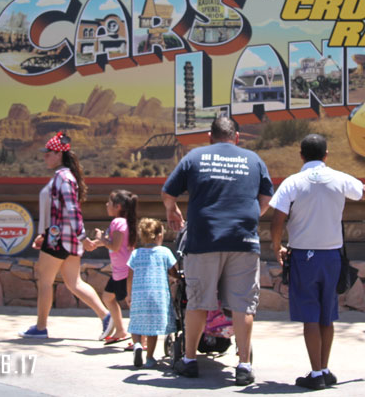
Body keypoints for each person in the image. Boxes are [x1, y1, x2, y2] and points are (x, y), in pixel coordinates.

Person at [270, 133, 365, 390]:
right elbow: (364, 191)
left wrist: (276, 247)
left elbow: (277, 220)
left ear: (301, 155)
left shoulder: (292, 182)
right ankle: (325, 369)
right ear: (326, 155)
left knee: (310, 315)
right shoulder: (339, 178)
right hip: (332, 257)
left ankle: (316, 373)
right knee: (327, 316)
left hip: (304, 256)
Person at [162, 115, 273, 386]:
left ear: (210, 137)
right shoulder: (254, 159)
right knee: (243, 303)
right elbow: (267, 197)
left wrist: (172, 209)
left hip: (204, 241)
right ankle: (244, 365)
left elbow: (168, 192)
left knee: (197, 300)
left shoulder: (194, 157)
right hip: (243, 241)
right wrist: (250, 217)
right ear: (236, 137)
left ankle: (189, 360)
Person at [20, 132, 111, 339]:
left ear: (58, 155)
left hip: (59, 239)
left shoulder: (63, 178)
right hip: (62, 238)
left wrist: (82, 237)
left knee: (44, 279)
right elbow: (60, 211)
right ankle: (106, 317)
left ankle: (41, 328)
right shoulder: (65, 178)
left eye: (48, 154)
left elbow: (71, 211)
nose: (45, 157)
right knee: (73, 282)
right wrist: (45, 234)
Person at [84, 189, 137, 345]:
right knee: (108, 297)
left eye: (109, 202)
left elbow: (114, 246)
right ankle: (121, 331)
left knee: (130, 302)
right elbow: (113, 242)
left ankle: (141, 339)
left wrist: (101, 239)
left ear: (118, 206)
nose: (106, 205)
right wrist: (97, 243)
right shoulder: (123, 222)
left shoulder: (118, 222)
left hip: (124, 272)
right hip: (120, 271)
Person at [126, 218, 178, 369]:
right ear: (159, 236)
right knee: (152, 329)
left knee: (136, 324)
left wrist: (129, 294)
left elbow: (129, 275)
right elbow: (173, 271)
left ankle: (137, 345)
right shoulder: (164, 252)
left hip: (139, 296)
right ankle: (149, 358)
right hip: (158, 296)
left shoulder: (136, 253)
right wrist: (177, 278)